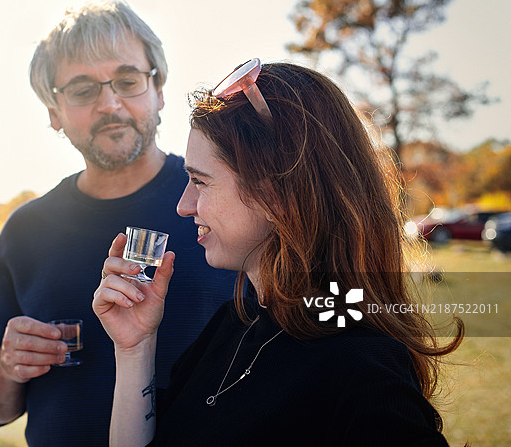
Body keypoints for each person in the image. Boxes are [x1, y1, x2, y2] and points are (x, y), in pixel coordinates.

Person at [93, 59, 464, 446]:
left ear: (278, 193)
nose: (184, 206)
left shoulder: (362, 365)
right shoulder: (235, 322)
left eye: (200, 181)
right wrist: (134, 348)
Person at [0, 0, 235, 446]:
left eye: (127, 80)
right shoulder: (26, 233)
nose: (110, 103)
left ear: (159, 91)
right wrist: (6, 367)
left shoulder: (229, 203)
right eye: (83, 90)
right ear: (53, 113)